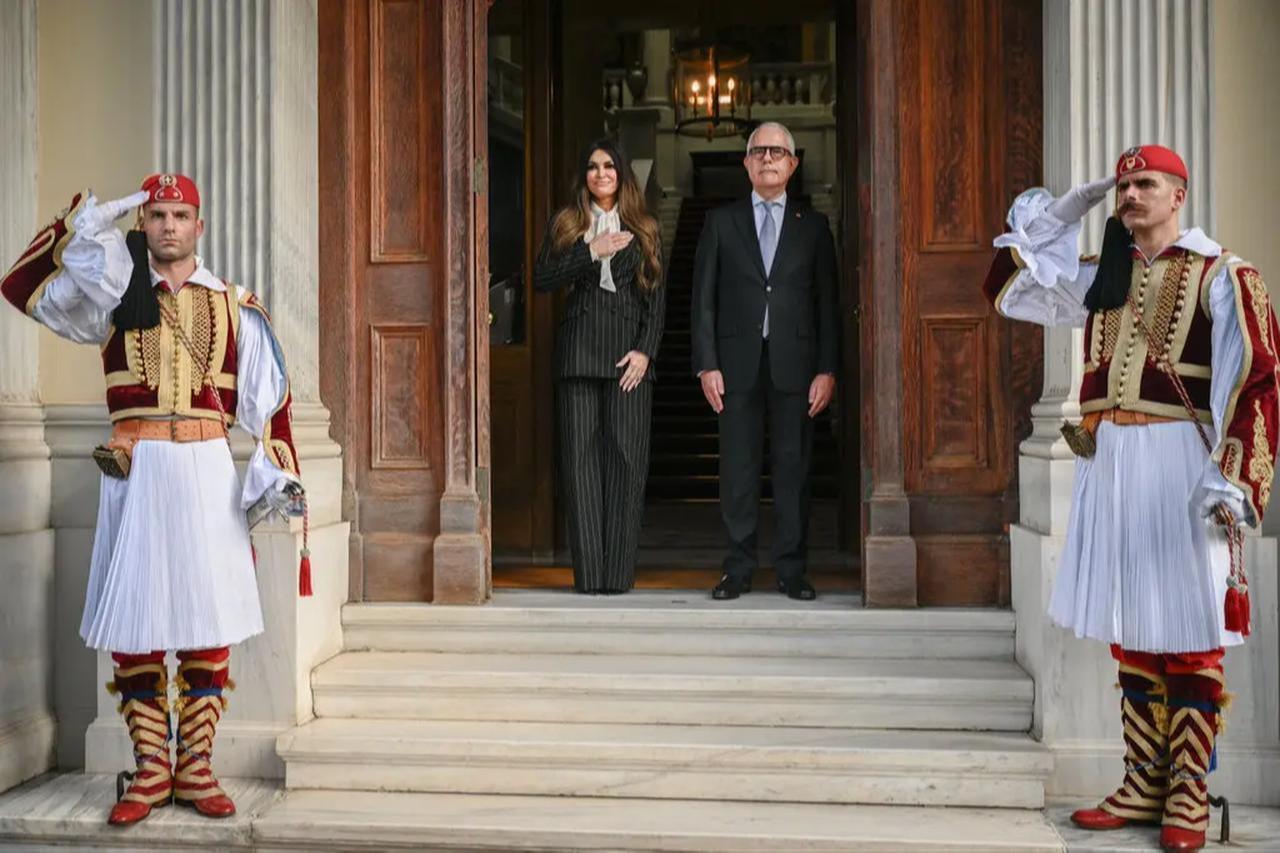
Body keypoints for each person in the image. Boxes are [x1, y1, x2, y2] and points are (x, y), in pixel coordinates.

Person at [983, 145, 1278, 851]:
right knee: (1134, 624)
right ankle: (1143, 778)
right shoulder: (1101, 276)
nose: (1131, 195)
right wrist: (1066, 211)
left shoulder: (1223, 274)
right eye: (1122, 186)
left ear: (1179, 194)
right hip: (1108, 459)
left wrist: (1235, 476)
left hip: (1182, 462)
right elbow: (1005, 285)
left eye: (1145, 183)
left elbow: (1260, 381)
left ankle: (1188, 789)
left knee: (1191, 628)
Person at [0, 174, 306, 826]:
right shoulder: (112, 297)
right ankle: (150, 768)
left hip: (205, 469)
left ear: (200, 225)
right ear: (143, 227)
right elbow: (19, 289)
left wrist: (281, 476)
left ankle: (195, 764)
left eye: (181, 215)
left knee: (208, 618)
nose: (169, 225)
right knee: (138, 618)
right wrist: (71, 223)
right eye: (158, 215)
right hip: (134, 472)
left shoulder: (233, 304)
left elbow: (270, 402)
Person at [691, 121, 838, 602]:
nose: (768, 158)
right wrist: (705, 363)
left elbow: (827, 305)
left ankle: (792, 570)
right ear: (746, 163)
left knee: (793, 470)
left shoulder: (813, 227)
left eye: (778, 151)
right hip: (735, 368)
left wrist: (827, 368)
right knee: (737, 469)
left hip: (796, 368)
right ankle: (738, 568)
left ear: (793, 165)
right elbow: (703, 301)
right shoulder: (720, 222)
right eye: (759, 151)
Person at [533, 139, 664, 594]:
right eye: (592, 166)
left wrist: (645, 352)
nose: (601, 173)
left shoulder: (645, 227)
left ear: (622, 174)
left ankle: (618, 578)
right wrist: (592, 249)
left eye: (609, 165)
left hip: (629, 358)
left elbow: (657, 299)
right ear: (583, 175)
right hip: (578, 356)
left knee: (628, 464)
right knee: (580, 465)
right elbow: (541, 279)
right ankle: (590, 580)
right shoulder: (567, 223)